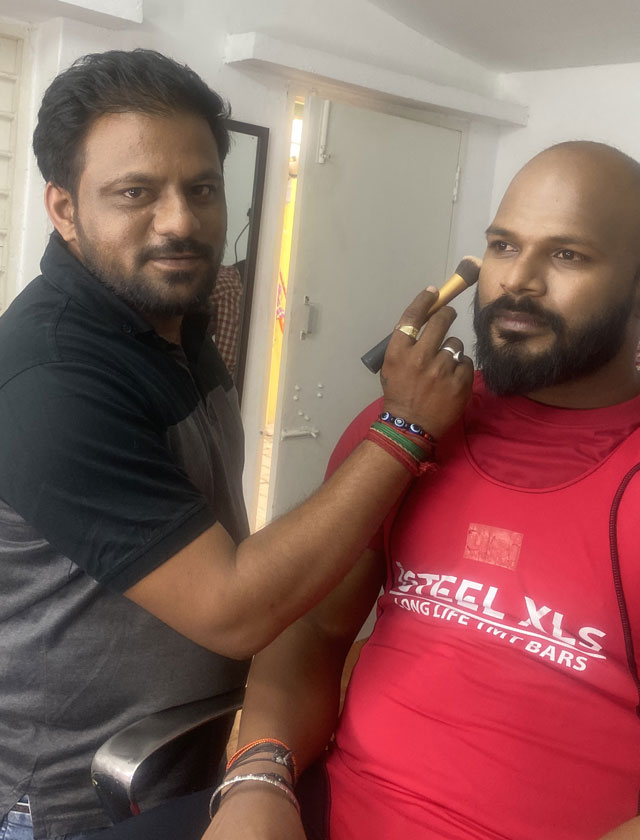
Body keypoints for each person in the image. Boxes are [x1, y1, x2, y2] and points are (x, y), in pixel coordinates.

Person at [0, 49, 471, 840]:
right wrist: (403, 429)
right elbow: (233, 610)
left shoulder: (173, 312)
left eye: (202, 188)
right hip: (78, 797)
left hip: (193, 750)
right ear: (64, 207)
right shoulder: (49, 380)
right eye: (135, 193)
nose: (180, 222)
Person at [206, 140, 640, 840]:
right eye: (503, 246)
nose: (518, 281)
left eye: (568, 255)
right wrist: (258, 778)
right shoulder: (406, 429)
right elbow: (316, 630)